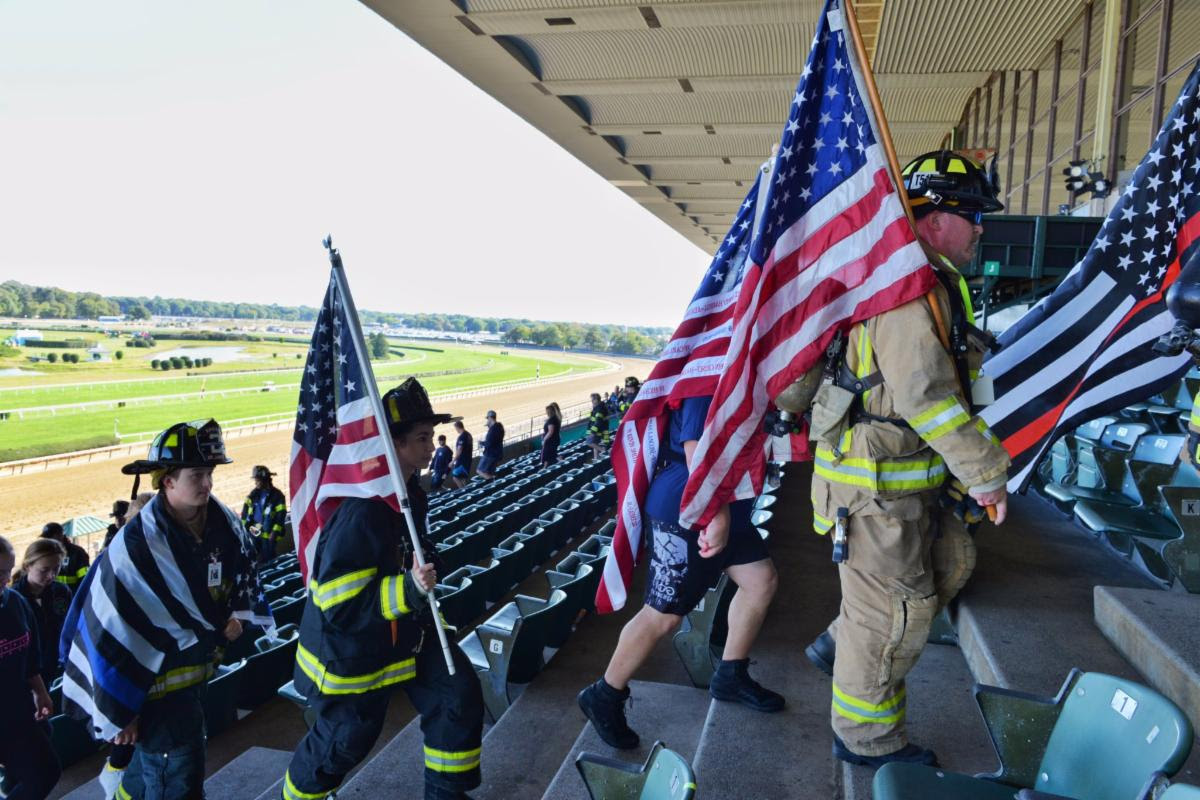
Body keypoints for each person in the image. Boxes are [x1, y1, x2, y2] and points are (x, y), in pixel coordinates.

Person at [802, 150, 1011, 769]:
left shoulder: (928, 278)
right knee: (895, 616)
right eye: (971, 213)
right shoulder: (904, 288)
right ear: (932, 215)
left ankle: (840, 645)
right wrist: (986, 475)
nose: (980, 227)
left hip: (904, 488)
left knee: (945, 570)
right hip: (872, 493)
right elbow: (928, 398)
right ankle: (866, 741)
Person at [282, 377, 483, 800]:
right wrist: (409, 588)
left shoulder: (408, 492)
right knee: (344, 741)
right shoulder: (362, 510)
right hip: (351, 653)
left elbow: (412, 547)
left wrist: (426, 564)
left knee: (457, 693)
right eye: (422, 438)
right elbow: (340, 603)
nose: (432, 448)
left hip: (406, 635)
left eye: (431, 437)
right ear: (391, 445)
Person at [60, 419, 272, 800]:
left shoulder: (225, 528)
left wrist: (237, 615)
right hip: (150, 691)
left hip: (192, 677)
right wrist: (121, 710)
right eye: (196, 474)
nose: (207, 484)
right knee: (179, 772)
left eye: (209, 473)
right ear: (167, 481)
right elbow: (109, 630)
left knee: (158, 768)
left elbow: (239, 579)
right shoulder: (135, 549)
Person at [578, 394, 783, 749]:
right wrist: (712, 513)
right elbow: (695, 452)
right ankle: (605, 693)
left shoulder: (741, 362)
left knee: (760, 581)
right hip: (690, 503)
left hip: (726, 501)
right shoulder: (712, 368)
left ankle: (731, 674)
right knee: (663, 614)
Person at [0, 535, 61, 800]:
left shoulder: (15, 603)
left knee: (45, 772)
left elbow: (29, 653)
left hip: (17, 709)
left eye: (6, 571)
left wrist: (40, 690)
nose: (4, 579)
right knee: (40, 773)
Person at [12, 538, 72, 686]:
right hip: (27, 675)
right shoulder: (13, 600)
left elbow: (70, 626)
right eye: (44, 570)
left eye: (56, 569)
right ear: (27, 566)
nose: (51, 575)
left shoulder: (62, 592)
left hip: (59, 667)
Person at [241, 465, 288, 564]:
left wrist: (274, 533)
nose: (255, 482)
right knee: (254, 557)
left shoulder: (277, 496)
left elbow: (281, 517)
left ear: (265, 480)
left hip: (269, 534)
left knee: (270, 559)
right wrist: (245, 531)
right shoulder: (253, 495)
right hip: (255, 530)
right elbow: (245, 514)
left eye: (257, 480)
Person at [40, 522, 88, 590]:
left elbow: (85, 579)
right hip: (51, 597)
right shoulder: (42, 554)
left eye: (50, 537)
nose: (47, 540)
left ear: (60, 535)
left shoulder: (77, 552)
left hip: (73, 597)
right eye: (46, 538)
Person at [476, 410, 505, 479]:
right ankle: (493, 482)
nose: (487, 420)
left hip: (490, 454)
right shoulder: (500, 427)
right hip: (497, 454)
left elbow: (489, 444)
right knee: (489, 472)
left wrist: (481, 443)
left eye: (488, 418)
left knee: (479, 471)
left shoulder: (493, 430)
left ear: (491, 418)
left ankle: (493, 480)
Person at [450, 419, 474, 489]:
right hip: (468, 460)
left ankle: (463, 491)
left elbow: (459, 451)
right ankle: (467, 491)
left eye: (455, 428)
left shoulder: (462, 437)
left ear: (457, 427)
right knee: (463, 478)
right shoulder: (468, 434)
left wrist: (452, 461)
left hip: (462, 461)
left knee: (455, 477)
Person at [587, 393, 610, 462]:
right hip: (598, 430)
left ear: (596, 400)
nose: (591, 401)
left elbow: (598, 422)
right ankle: (596, 459)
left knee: (589, 442)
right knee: (595, 443)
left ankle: (603, 451)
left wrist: (593, 432)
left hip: (597, 430)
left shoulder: (599, 408)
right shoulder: (598, 407)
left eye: (592, 400)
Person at [540, 403, 562, 467]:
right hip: (554, 440)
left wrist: (544, 439)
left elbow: (550, 432)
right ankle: (545, 469)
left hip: (550, 442)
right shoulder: (556, 418)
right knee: (552, 455)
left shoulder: (551, 420)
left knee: (547, 457)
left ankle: (545, 470)